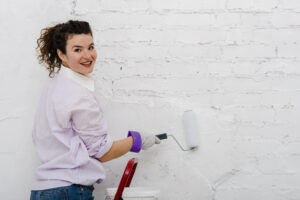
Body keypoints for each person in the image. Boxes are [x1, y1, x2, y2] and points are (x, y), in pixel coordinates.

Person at [30, 20, 160, 200]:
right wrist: (136, 140)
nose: (88, 55)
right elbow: (102, 152)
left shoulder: (53, 87)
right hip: (68, 191)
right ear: (62, 54)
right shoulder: (79, 93)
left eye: (90, 47)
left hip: (42, 192)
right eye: (77, 50)